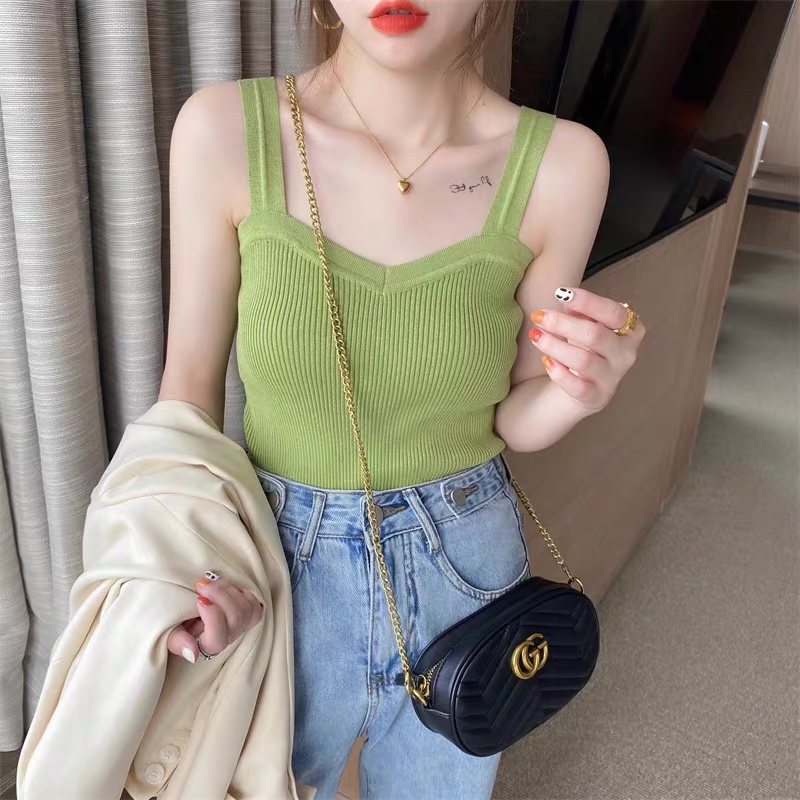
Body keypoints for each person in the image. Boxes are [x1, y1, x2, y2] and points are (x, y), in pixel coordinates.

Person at [158, 0, 645, 797]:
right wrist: (192, 563)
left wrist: (580, 391)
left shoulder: (563, 164)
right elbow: (188, 386)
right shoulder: (223, 133)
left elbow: (517, 414)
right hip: (274, 561)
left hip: (466, 566)